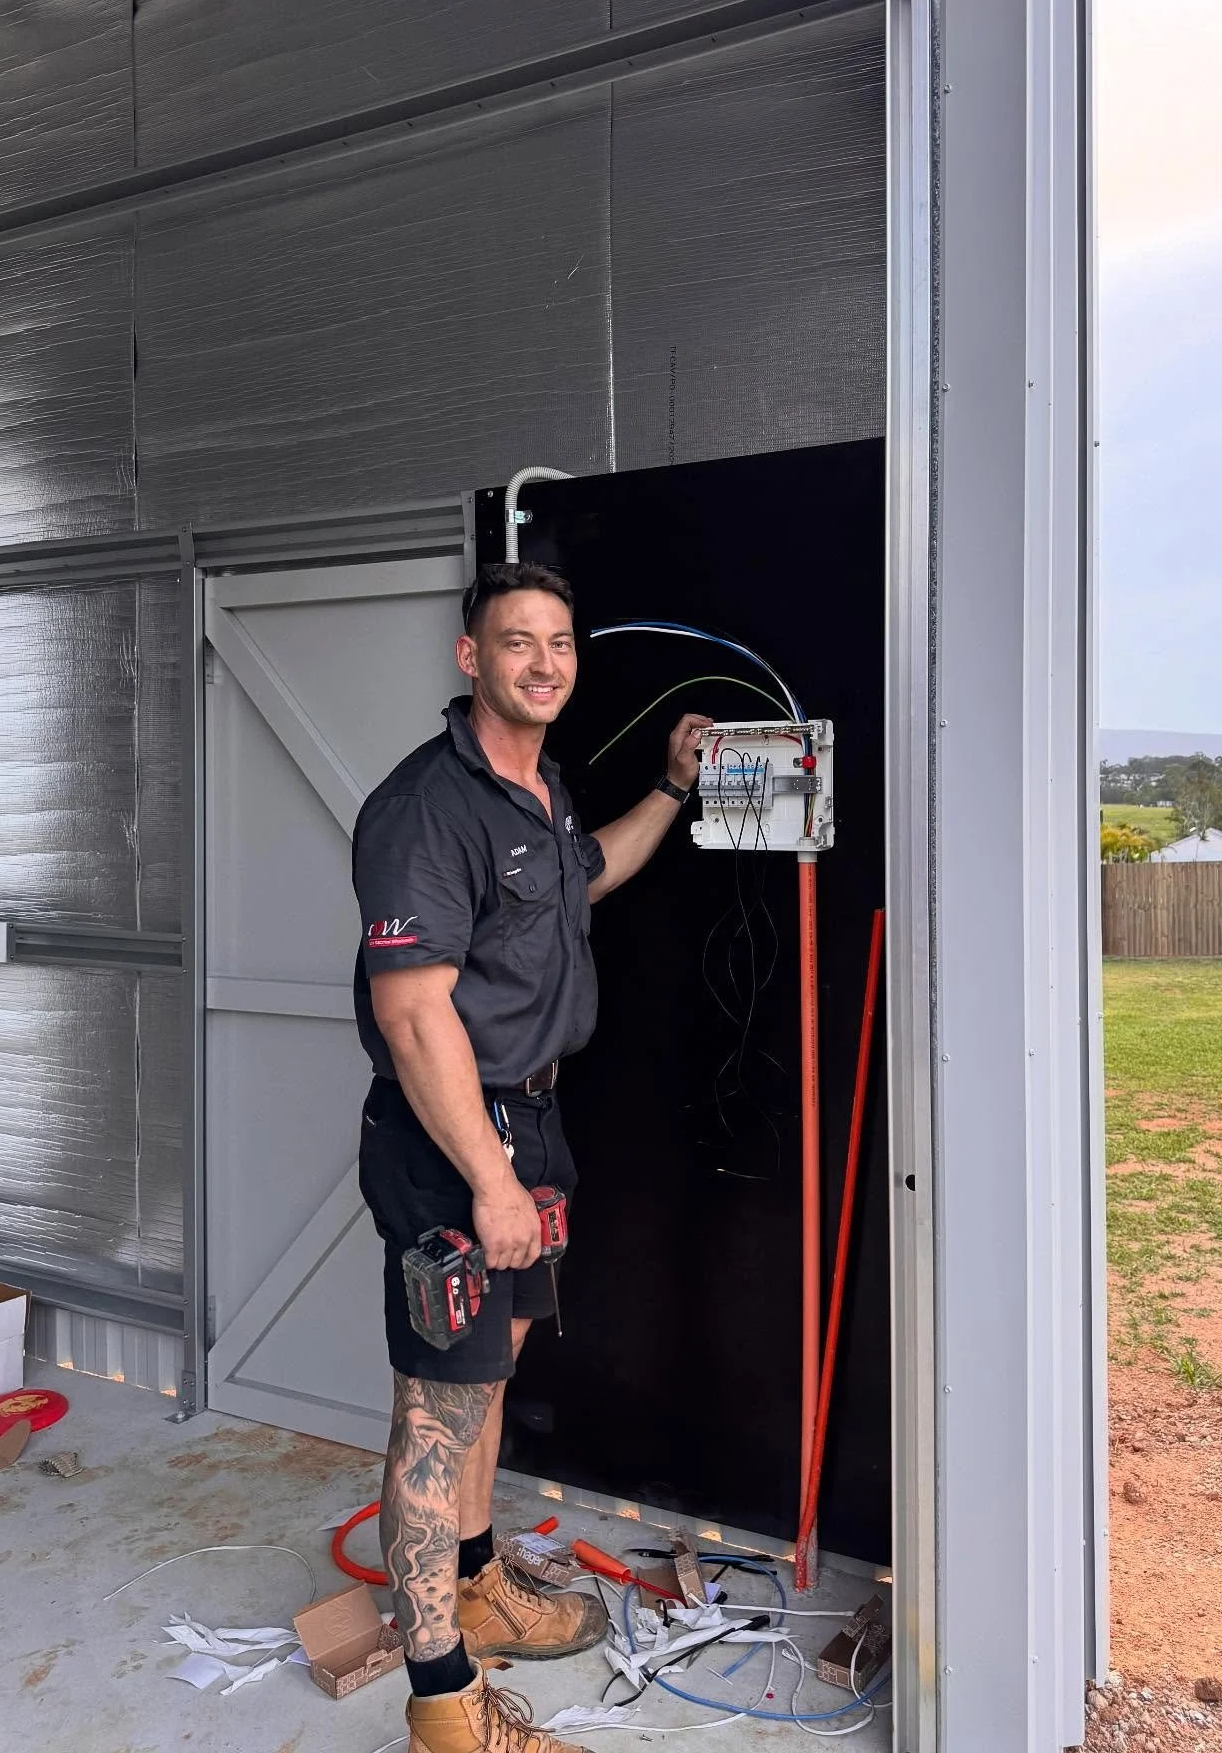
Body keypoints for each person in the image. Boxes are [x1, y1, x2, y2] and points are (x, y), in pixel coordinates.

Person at [353, 560, 710, 1753]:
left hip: (532, 1124)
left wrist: (670, 788)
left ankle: (473, 1576)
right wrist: (493, 1181)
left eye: (559, 643)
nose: (544, 662)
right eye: (518, 643)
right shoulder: (425, 808)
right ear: (472, 658)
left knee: (490, 1368)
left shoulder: (543, 792)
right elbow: (413, 1015)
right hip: (455, 1140)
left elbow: (587, 877)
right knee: (439, 1402)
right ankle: (444, 1701)